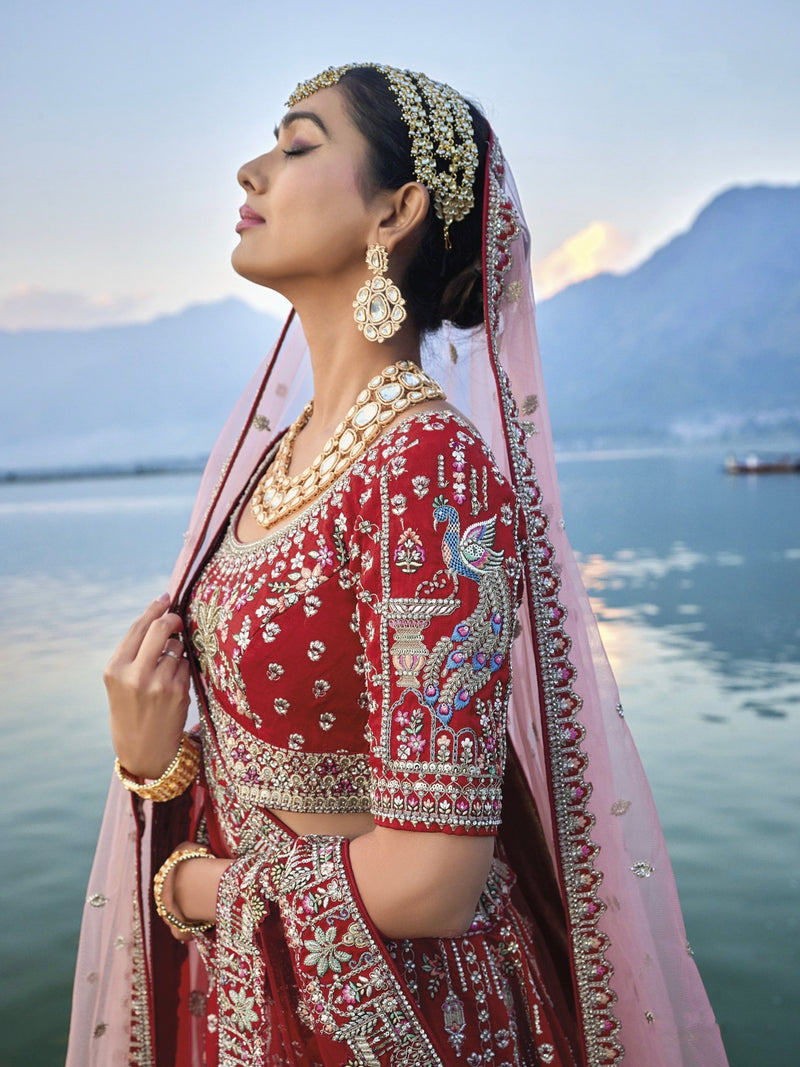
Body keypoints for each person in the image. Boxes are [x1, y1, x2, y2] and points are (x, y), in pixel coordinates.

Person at [66, 64, 729, 1067]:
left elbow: (431, 879)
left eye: (293, 147)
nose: (249, 172)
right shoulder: (276, 462)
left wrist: (190, 888)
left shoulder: (423, 467)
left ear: (395, 211)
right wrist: (157, 762)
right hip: (261, 992)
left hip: (398, 1018)